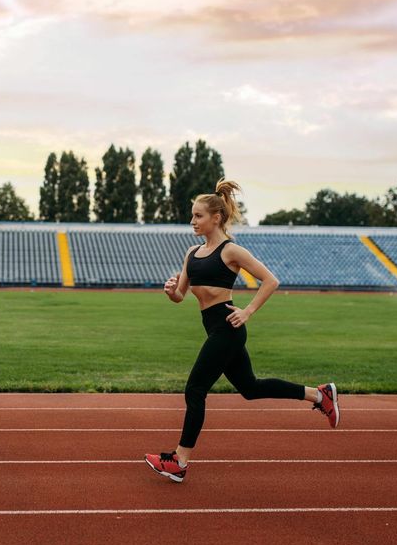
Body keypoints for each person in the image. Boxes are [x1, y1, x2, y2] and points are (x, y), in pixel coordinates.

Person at [145, 179, 339, 483]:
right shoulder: (191, 253)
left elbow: (271, 280)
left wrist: (247, 311)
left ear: (216, 218)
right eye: (192, 215)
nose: (192, 221)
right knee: (250, 388)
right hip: (214, 329)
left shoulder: (230, 251)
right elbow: (181, 296)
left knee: (195, 389)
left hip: (228, 328)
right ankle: (319, 395)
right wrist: (170, 291)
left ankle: (180, 461)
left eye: (198, 216)